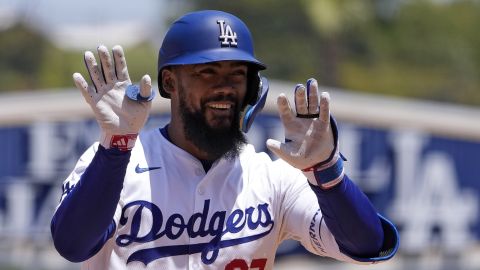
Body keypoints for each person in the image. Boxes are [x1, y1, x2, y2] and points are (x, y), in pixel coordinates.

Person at [51, 10, 399, 269]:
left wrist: (326, 172)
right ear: (170, 83)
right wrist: (117, 144)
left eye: (237, 74)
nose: (225, 86)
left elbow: (365, 244)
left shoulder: (271, 178)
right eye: (207, 71)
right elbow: (72, 244)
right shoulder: (117, 163)